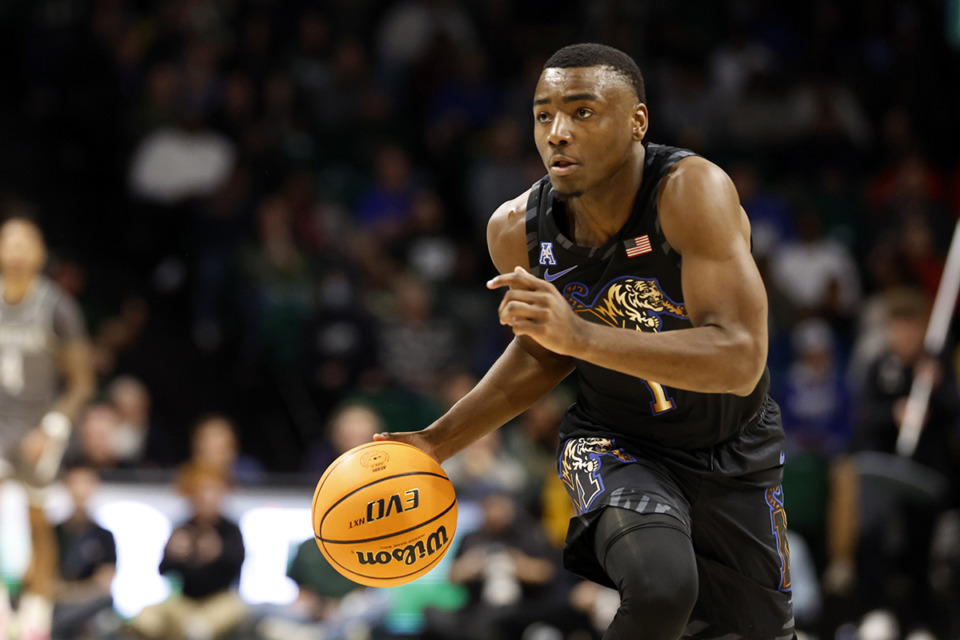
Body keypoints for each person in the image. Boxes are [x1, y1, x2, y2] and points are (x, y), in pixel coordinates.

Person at [376, 43, 794, 639]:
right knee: (661, 589)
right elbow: (545, 352)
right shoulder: (515, 229)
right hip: (615, 441)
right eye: (544, 115)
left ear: (637, 122)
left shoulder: (690, 192)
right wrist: (436, 442)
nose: (558, 133)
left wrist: (582, 335)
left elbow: (741, 359)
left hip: (735, 447)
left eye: (582, 112)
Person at [0, 216, 95, 639]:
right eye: (8, 242)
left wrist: (53, 428)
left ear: (40, 254)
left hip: (40, 425)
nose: (16, 250)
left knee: (38, 522)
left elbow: (82, 382)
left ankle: (37, 615)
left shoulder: (57, 305)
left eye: (25, 243)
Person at [129, 464, 247, 640]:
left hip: (220, 600)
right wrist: (173, 554)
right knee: (146, 618)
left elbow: (238, 567)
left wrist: (219, 552)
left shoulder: (230, 530)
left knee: (231, 611)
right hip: (184, 602)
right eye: (201, 492)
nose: (207, 498)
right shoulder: (182, 528)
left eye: (212, 491)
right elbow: (163, 570)